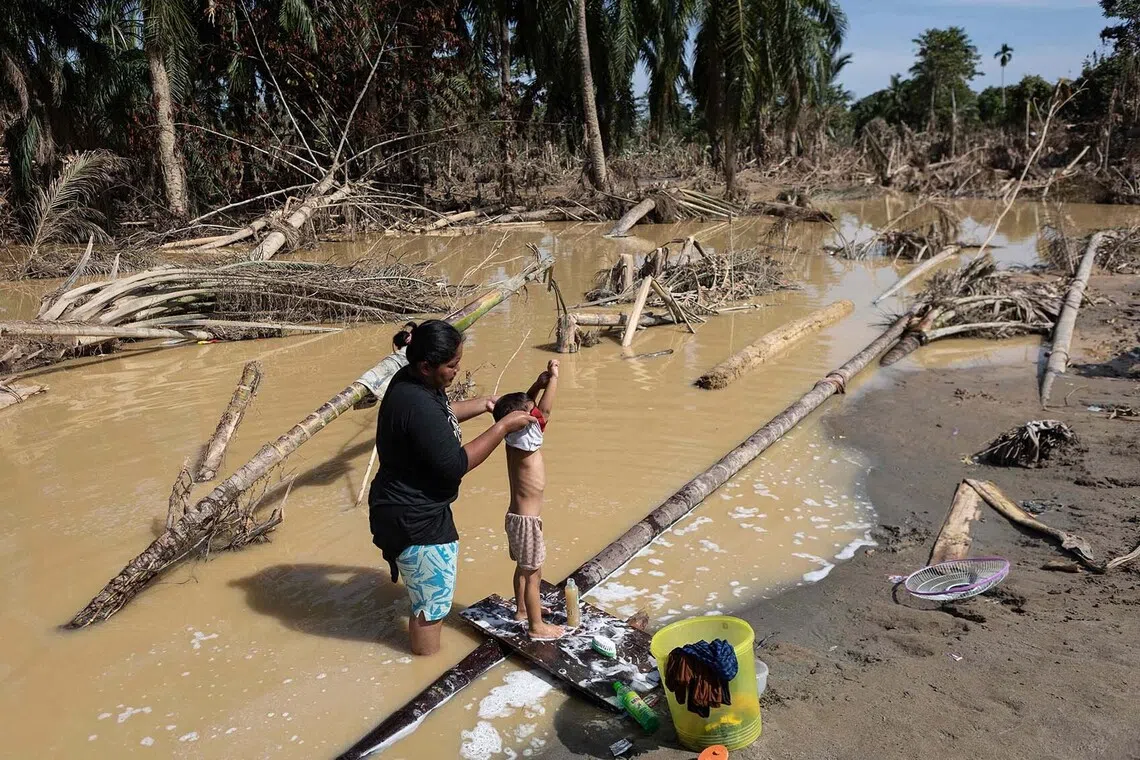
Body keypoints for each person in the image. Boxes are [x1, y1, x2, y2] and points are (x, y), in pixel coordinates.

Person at [368, 319, 534, 656]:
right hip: (414, 517)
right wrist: (501, 427)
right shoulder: (414, 402)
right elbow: (456, 464)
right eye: (452, 365)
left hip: (404, 505)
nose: (457, 370)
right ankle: (424, 669)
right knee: (433, 608)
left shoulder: (415, 382)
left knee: (427, 597)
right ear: (426, 365)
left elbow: (439, 416)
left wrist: (484, 405)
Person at [492, 359, 564, 639]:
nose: (533, 413)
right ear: (523, 420)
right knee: (533, 574)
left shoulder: (515, 435)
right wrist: (555, 378)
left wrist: (536, 385)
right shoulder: (526, 433)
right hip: (527, 521)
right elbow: (545, 409)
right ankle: (536, 627)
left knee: (524, 568)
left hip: (517, 518)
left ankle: (522, 609)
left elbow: (527, 406)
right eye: (528, 412)